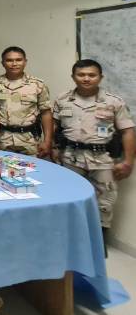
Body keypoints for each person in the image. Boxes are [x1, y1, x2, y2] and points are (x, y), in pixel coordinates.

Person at [53, 59, 134, 233]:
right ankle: (73, 238)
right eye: (81, 75)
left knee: (104, 203)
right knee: (70, 198)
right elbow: (55, 127)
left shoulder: (114, 102)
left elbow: (127, 132)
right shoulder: (62, 100)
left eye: (91, 75)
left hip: (102, 160)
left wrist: (128, 161)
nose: (86, 78)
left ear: (100, 77)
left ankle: (99, 242)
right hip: (71, 158)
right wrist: (54, 148)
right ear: (73, 77)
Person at [0, 46, 52, 157]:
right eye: (9, 60)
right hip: (3, 139)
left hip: (30, 140)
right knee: (2, 167)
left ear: (25, 62)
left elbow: (46, 113)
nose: (14, 64)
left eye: (18, 60)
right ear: (2, 63)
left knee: (32, 167)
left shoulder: (37, 85)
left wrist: (47, 141)